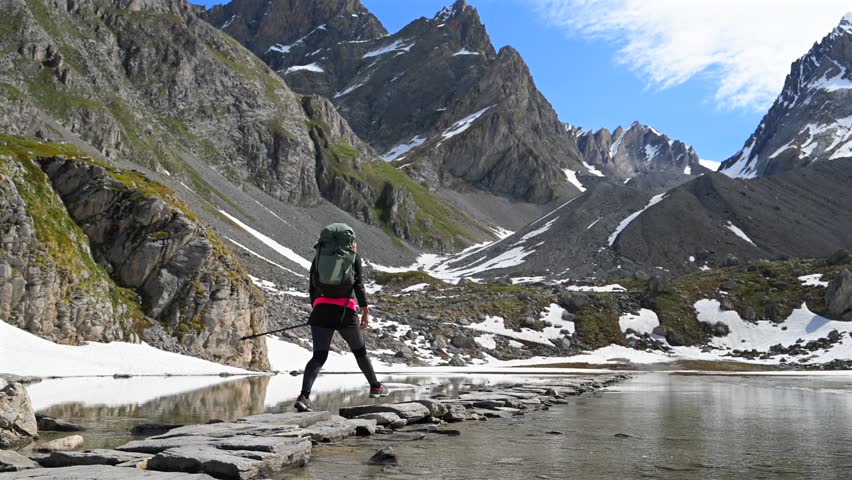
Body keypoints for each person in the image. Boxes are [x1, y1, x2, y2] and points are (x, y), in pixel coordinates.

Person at [294, 224, 387, 412]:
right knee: (360, 352)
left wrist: (318, 307)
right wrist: (365, 311)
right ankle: (376, 387)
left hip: (321, 311)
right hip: (346, 312)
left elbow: (312, 286)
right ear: (350, 242)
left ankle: (304, 397)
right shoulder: (353, 258)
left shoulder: (319, 257)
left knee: (319, 356)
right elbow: (358, 285)